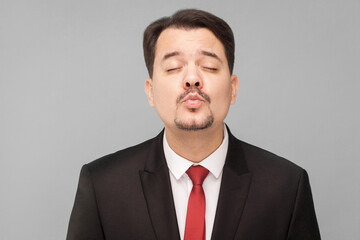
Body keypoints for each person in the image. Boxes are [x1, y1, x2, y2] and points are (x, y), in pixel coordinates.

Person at [66, 9, 321, 240]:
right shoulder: (102, 186)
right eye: (174, 67)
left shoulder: (286, 186)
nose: (192, 79)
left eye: (209, 66)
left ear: (233, 89)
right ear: (150, 91)